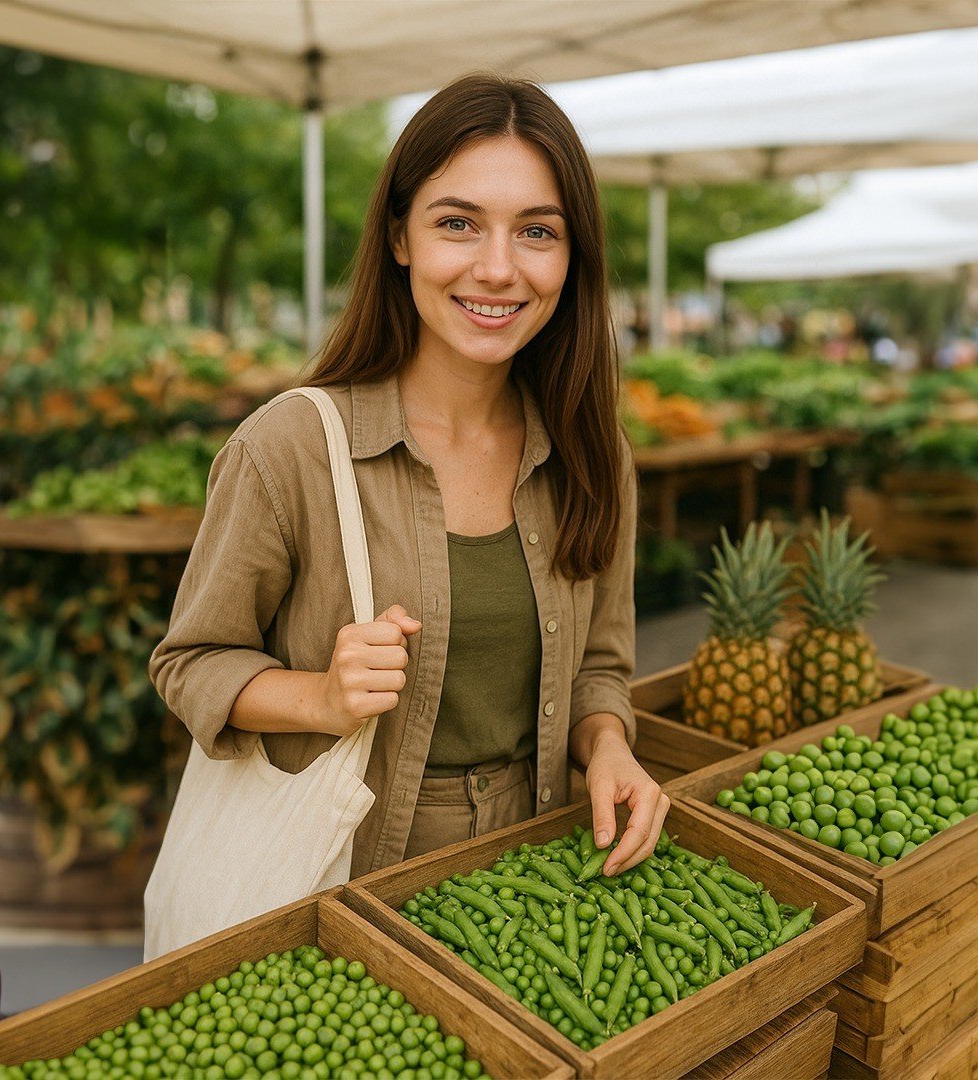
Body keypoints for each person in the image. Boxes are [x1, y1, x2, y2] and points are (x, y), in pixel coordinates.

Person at [149, 72, 668, 884]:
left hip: (537, 877)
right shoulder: (290, 448)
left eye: (537, 232)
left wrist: (608, 746)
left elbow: (601, 665)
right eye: (458, 223)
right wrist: (322, 696)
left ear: (573, 256)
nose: (498, 269)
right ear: (400, 239)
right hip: (336, 885)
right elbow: (190, 663)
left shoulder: (592, 455)